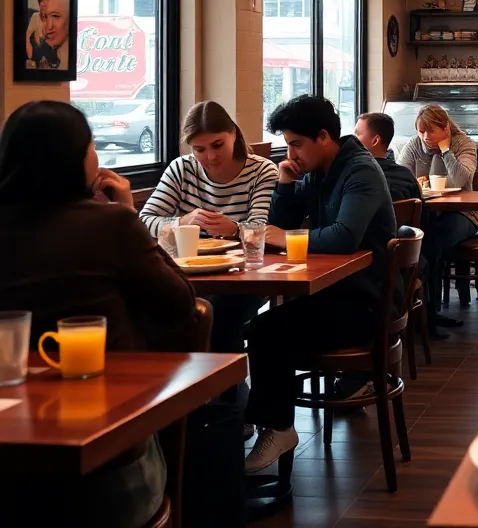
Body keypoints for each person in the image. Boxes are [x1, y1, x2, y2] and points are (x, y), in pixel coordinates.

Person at [0, 101, 197, 527]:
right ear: (76, 158)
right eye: (92, 145)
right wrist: (125, 213)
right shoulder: (109, 226)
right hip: (105, 468)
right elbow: (183, 306)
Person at [243, 96, 397, 472]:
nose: (290, 151)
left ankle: (275, 426)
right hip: (338, 292)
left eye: (295, 143)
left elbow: (344, 237)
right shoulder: (315, 171)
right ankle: (261, 418)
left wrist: (283, 236)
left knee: (266, 331)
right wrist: (283, 182)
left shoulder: (359, 170)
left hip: (369, 303)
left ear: (324, 136)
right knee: (262, 327)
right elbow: (281, 222)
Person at [140, 101, 277, 356]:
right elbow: (145, 219)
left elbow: (263, 228)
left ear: (233, 134)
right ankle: (181, 390)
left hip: (243, 277)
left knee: (217, 315)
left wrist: (235, 229)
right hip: (186, 273)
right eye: (199, 149)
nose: (210, 157)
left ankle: (224, 392)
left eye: (217, 145)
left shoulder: (262, 170)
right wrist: (182, 222)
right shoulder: (182, 169)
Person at [398, 104, 478, 329]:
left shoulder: (463, 145)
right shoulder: (413, 146)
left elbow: (459, 181)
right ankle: (414, 309)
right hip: (425, 212)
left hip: (462, 213)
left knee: (431, 244)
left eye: (430, 131)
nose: (425, 136)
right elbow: (401, 179)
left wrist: (445, 151)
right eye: (420, 131)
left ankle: (429, 314)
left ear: (445, 128)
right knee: (413, 243)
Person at [354, 112, 421, 201]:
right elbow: (420, 212)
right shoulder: (407, 176)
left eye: (357, 134)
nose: (352, 139)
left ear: (375, 141)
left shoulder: (354, 176)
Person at [27, 0, 69, 69]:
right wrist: (30, 57)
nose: (43, 5)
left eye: (46, 2)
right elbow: (27, 36)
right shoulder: (35, 16)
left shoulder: (52, 21)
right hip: (36, 54)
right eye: (41, 2)